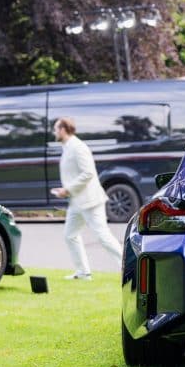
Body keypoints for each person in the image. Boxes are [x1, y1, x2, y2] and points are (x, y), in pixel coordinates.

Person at [51, 117, 123, 279]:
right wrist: (65, 190)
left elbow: (88, 173)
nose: (54, 132)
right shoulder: (67, 147)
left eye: (56, 129)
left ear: (63, 129)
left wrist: (67, 189)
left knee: (103, 236)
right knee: (70, 235)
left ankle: (129, 268)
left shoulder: (78, 147)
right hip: (76, 201)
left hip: (90, 201)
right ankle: (83, 272)